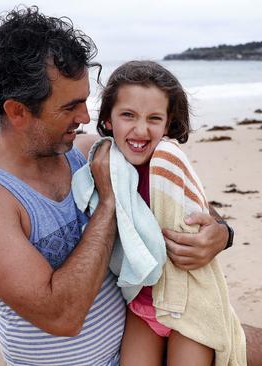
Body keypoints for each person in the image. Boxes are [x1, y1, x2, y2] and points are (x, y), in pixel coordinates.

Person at [0, 6, 262, 366]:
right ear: (17, 111)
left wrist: (220, 233)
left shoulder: (84, 151)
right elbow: (62, 315)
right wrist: (109, 203)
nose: (85, 117)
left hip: (142, 333)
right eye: (71, 106)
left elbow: (170, 193)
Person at [76, 60, 246, 365]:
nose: (140, 130)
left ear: (168, 124)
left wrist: (224, 232)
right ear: (108, 119)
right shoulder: (106, 161)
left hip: (189, 303)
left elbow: (200, 210)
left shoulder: (169, 164)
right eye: (128, 115)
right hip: (141, 305)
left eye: (154, 118)